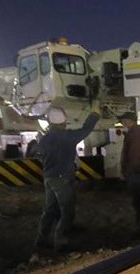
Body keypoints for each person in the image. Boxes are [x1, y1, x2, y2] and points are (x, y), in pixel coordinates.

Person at [34, 106, 99, 252]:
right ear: (64, 122)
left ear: (50, 122)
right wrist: (94, 115)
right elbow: (86, 130)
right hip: (62, 179)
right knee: (67, 210)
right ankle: (61, 242)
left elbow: (38, 153)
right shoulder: (67, 137)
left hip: (49, 178)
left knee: (50, 210)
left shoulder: (45, 139)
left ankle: (41, 241)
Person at [119, 111, 140, 235]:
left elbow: (134, 156)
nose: (122, 122)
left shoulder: (134, 134)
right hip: (137, 172)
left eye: (123, 120)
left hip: (136, 173)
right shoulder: (134, 132)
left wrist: (127, 172)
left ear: (129, 120)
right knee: (138, 199)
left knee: (138, 200)